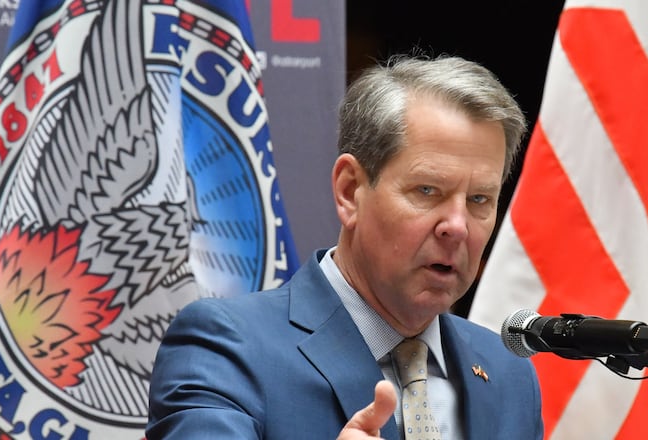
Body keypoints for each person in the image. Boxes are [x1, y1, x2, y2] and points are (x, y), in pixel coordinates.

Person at [146, 53, 543, 439]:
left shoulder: (509, 374)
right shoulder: (227, 347)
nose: (457, 226)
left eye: (479, 200)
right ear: (350, 191)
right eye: (427, 190)